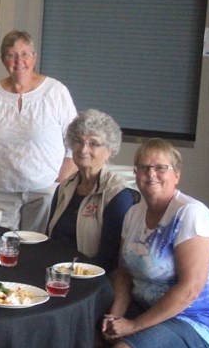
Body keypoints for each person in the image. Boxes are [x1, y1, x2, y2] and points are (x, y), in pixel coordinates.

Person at [95, 138, 209, 348]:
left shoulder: (190, 215)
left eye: (161, 167)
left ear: (176, 175)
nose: (151, 174)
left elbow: (190, 290)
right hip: (151, 308)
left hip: (198, 320)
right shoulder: (134, 214)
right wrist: (116, 316)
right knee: (84, 329)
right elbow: (124, 272)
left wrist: (133, 326)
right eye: (143, 167)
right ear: (135, 174)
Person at [0, 30, 78, 233]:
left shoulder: (55, 92)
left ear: (34, 57)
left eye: (24, 54)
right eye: (12, 55)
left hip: (44, 190)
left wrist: (62, 179)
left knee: (36, 250)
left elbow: (75, 140)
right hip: (0, 190)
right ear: (4, 60)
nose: (18, 60)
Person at [46, 109, 139, 272]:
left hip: (91, 278)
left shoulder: (118, 195)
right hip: (56, 271)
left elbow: (110, 258)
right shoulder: (64, 187)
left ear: (109, 151)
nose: (83, 149)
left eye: (93, 143)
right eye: (79, 141)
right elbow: (50, 238)